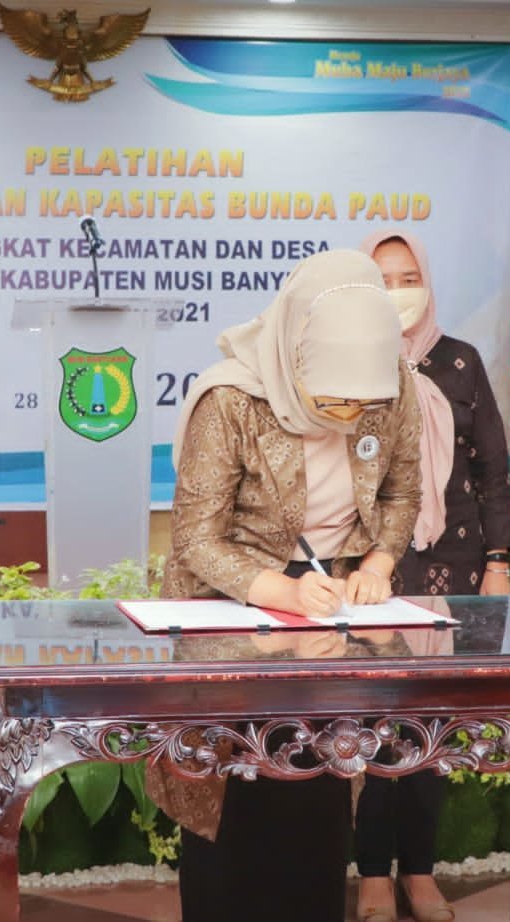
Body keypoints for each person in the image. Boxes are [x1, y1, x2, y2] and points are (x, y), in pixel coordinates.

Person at [154, 248, 423, 922]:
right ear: (297, 358)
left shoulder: (391, 384)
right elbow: (196, 538)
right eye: (333, 400)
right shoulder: (231, 400)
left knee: (318, 789)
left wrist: (378, 563)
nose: (350, 414)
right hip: (232, 603)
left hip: (334, 609)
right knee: (233, 791)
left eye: (361, 403)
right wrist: (281, 591)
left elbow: (401, 491)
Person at [352, 230, 510, 922]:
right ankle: (373, 875)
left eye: (408, 277)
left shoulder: (461, 361)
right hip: (376, 570)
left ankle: (419, 872)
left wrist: (498, 564)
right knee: (377, 723)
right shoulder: (350, 359)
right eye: (383, 280)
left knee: (433, 727)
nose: (398, 291)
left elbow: (492, 472)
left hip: (456, 565)